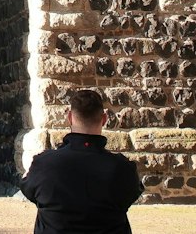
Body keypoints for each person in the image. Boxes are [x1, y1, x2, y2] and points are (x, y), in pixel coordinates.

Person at [21, 89, 143, 234]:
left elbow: (29, 189)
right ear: (104, 119)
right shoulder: (122, 168)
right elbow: (132, 193)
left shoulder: (44, 164)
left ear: (70, 118)